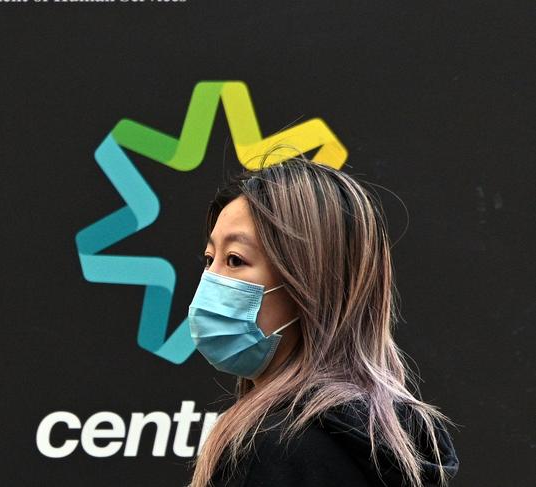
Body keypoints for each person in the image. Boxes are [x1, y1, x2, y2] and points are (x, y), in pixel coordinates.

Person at [186, 147, 460, 487]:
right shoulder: (401, 443)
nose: (212, 279)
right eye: (209, 259)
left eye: (236, 260)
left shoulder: (274, 448)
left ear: (310, 283)